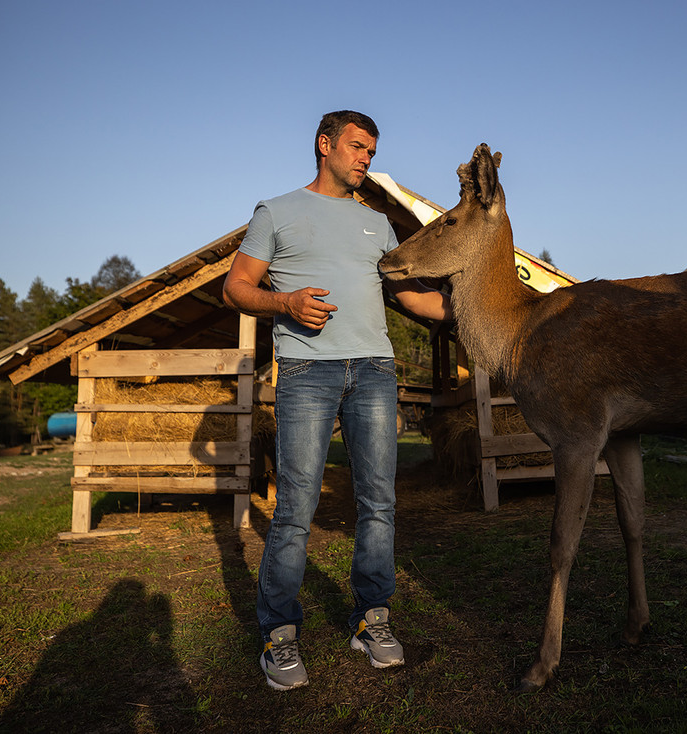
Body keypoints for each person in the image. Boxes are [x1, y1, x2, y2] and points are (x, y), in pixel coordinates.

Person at [223, 110, 451, 691]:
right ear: (325, 145)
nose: (365, 160)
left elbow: (411, 298)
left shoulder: (378, 225)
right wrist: (288, 304)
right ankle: (279, 633)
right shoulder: (276, 211)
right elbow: (236, 287)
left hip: (374, 371)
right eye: (356, 148)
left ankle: (372, 619)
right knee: (296, 506)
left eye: (371, 152)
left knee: (378, 500)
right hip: (306, 372)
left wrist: (472, 313)